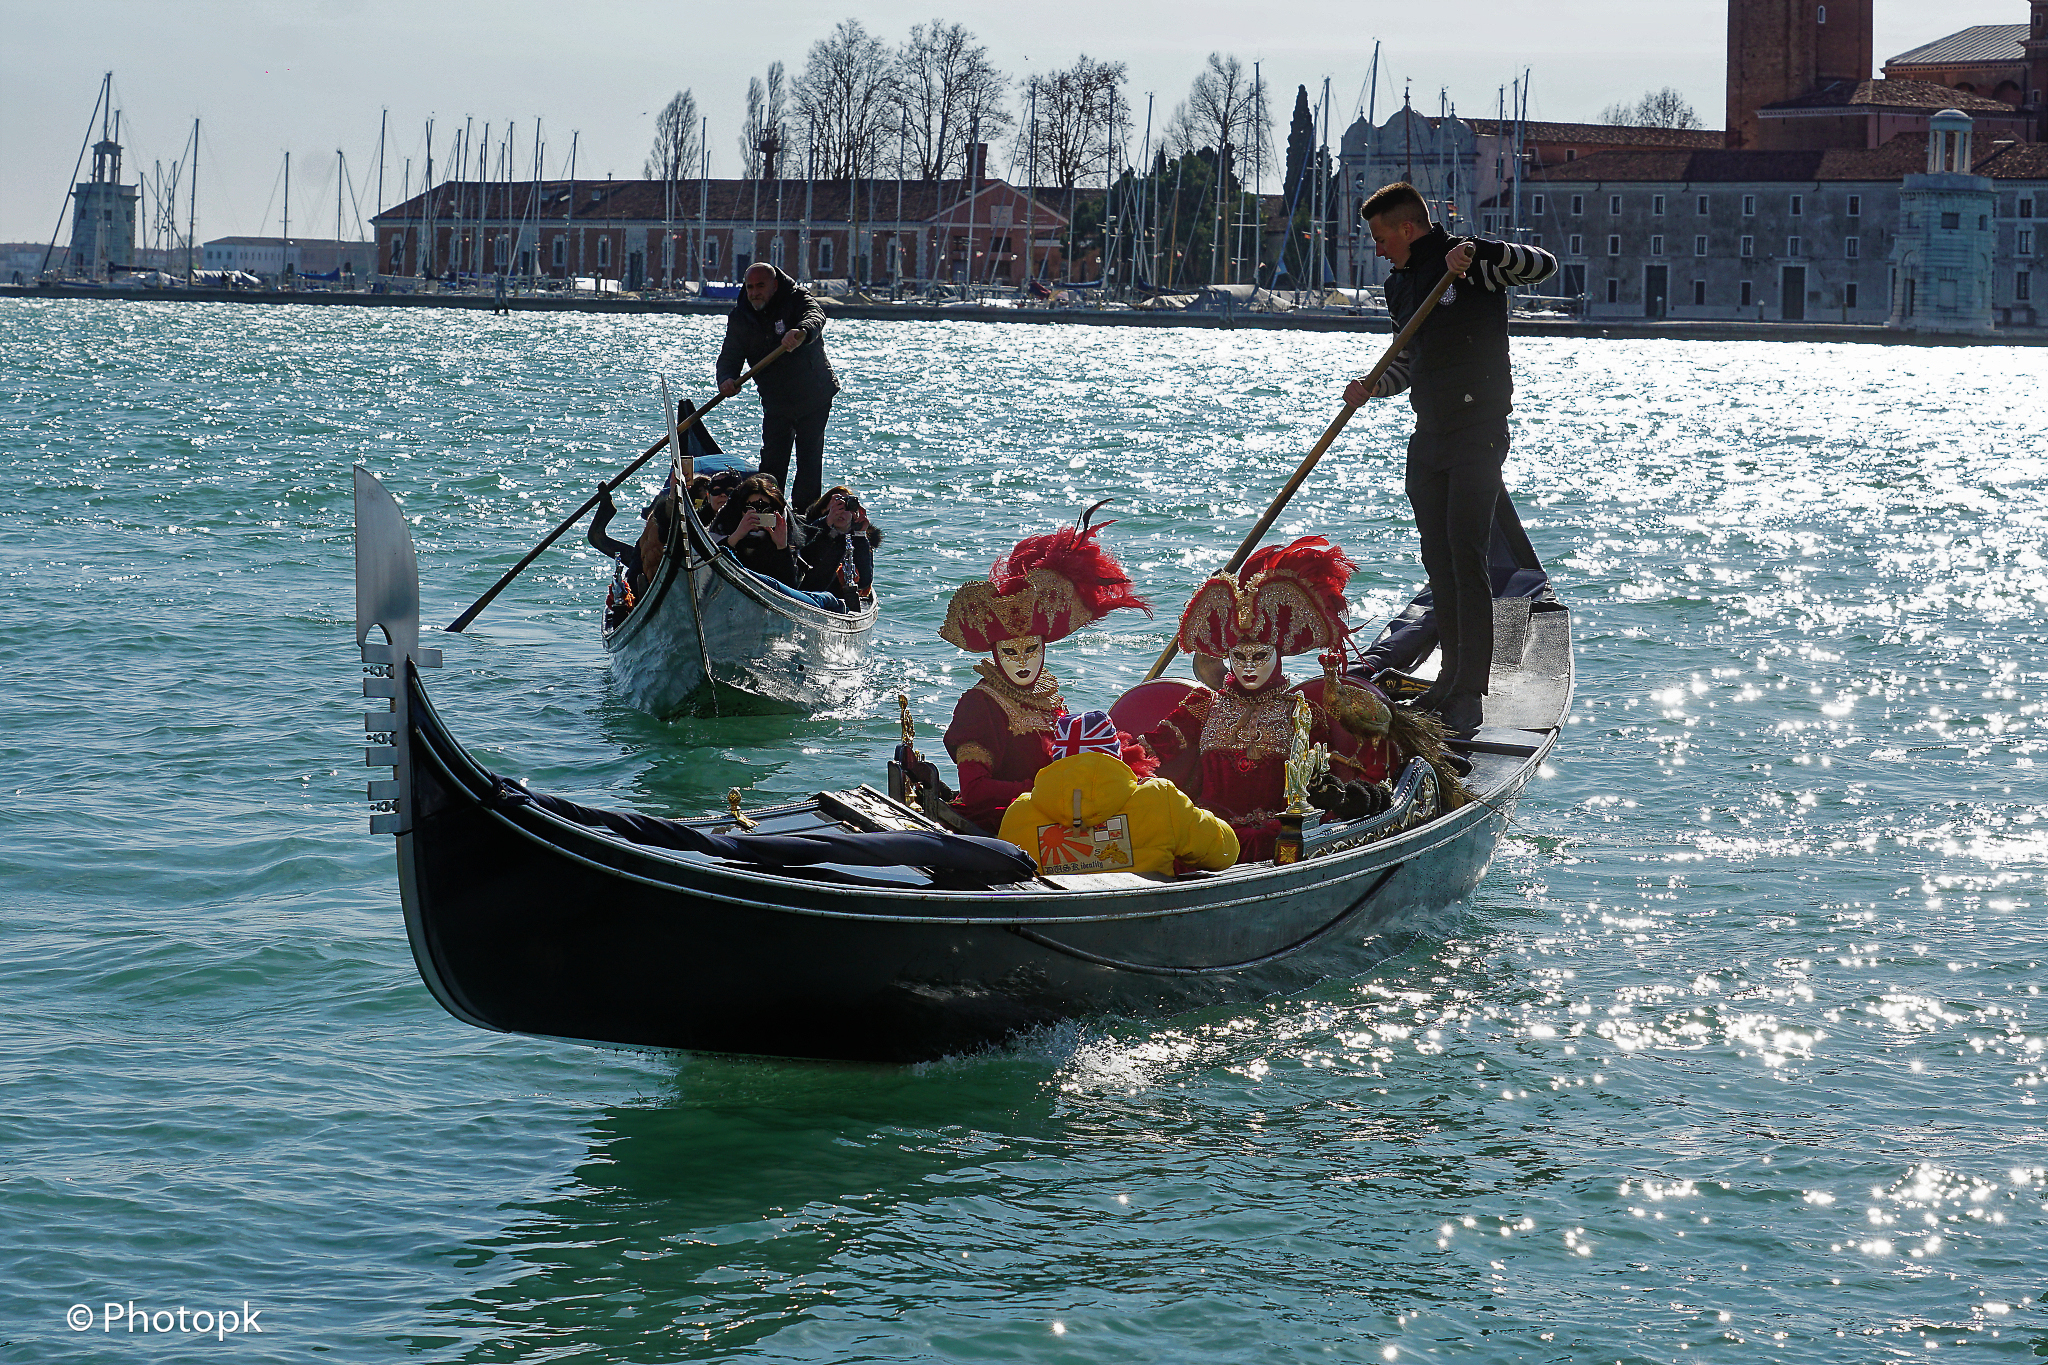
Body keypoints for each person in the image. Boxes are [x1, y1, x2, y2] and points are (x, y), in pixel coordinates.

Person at [1343, 181, 1558, 738]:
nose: (1378, 248)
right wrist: (1374, 386)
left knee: (1467, 559)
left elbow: (1544, 266)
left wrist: (1480, 253)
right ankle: (1447, 682)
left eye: (1380, 237)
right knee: (1439, 562)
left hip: (1478, 433)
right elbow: (1409, 360)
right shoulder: (1400, 287)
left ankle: (1469, 689)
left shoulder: (1469, 264)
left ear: (1407, 229)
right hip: (1431, 433)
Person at [1142, 536, 1390, 864]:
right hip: (1208, 835)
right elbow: (1152, 751)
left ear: (1278, 653)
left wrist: (1344, 797)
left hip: (1276, 839)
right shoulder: (1203, 705)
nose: (1247, 666)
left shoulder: (1301, 712)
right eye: (1238, 655)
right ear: (1226, 654)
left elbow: (1316, 776)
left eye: (1260, 656)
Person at [936, 521, 1151, 833]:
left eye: (1031, 649)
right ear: (996, 653)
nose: (1023, 661)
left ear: (1044, 646)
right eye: (1010, 652)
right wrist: (1050, 786)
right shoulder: (980, 706)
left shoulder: (1047, 696)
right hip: (1010, 826)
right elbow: (975, 792)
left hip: (1058, 813)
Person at [998, 710, 1239, 876]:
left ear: (1056, 759)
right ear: (1117, 754)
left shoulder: (1018, 815)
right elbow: (1225, 853)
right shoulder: (1160, 799)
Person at [716, 262, 839, 510]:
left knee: (809, 460)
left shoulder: (796, 297)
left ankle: (805, 516)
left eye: (760, 286)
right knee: (772, 462)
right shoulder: (741, 316)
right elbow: (730, 355)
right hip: (775, 399)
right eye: (749, 287)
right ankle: (768, 513)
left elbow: (816, 316)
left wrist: (801, 332)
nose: (754, 292)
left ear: (774, 285)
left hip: (813, 394)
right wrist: (726, 379)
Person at [707, 474, 801, 586]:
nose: (758, 515)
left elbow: (790, 585)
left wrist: (782, 548)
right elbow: (710, 573)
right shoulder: (723, 529)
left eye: (765, 509)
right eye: (750, 508)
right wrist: (735, 537)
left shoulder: (786, 535)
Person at [798, 486, 881, 608]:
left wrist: (860, 534)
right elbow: (803, 560)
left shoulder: (858, 541)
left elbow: (864, 582)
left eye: (846, 507)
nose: (840, 512)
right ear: (823, 510)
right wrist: (826, 524)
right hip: (806, 594)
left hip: (837, 602)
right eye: (836, 506)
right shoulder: (808, 531)